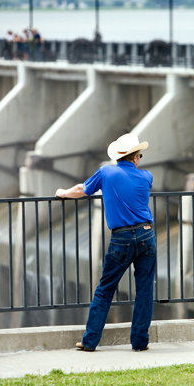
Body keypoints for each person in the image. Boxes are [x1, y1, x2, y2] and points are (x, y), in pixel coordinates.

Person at [55, 133, 155, 352]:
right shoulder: (147, 177)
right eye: (140, 155)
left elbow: (82, 190)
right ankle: (139, 342)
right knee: (145, 290)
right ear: (135, 158)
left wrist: (62, 193)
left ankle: (90, 341)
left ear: (118, 156)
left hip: (122, 238)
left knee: (105, 289)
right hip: (147, 235)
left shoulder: (106, 173)